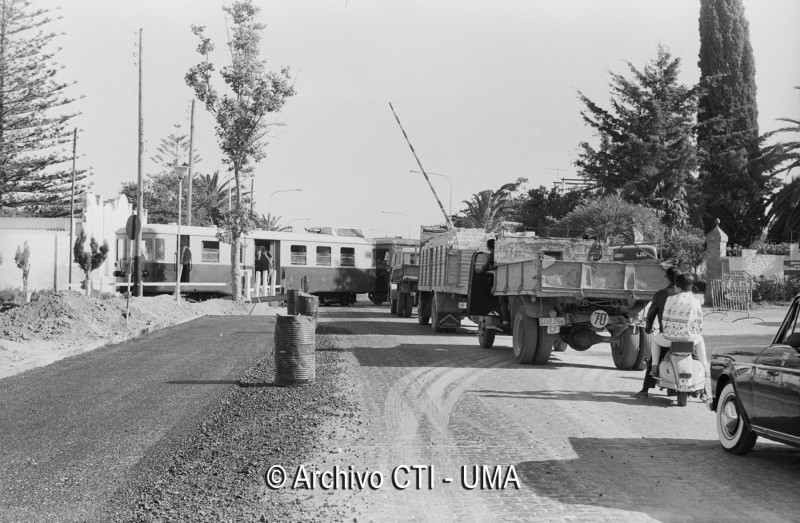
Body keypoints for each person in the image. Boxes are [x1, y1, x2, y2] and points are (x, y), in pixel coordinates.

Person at [650, 272, 710, 397]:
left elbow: (665, 319)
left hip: (670, 338)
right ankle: (705, 367)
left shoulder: (671, 299)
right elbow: (700, 323)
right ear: (691, 286)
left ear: (677, 286)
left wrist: (668, 331)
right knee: (700, 341)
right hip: (690, 338)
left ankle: (654, 365)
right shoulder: (696, 301)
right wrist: (693, 333)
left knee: (655, 341)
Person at [634, 266, 678, 398]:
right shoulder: (688, 296)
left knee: (655, 357)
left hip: (666, 335)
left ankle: (645, 390)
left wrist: (648, 328)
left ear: (667, 278)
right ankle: (703, 390)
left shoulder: (661, 294)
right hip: (688, 337)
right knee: (695, 357)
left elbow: (651, 313)